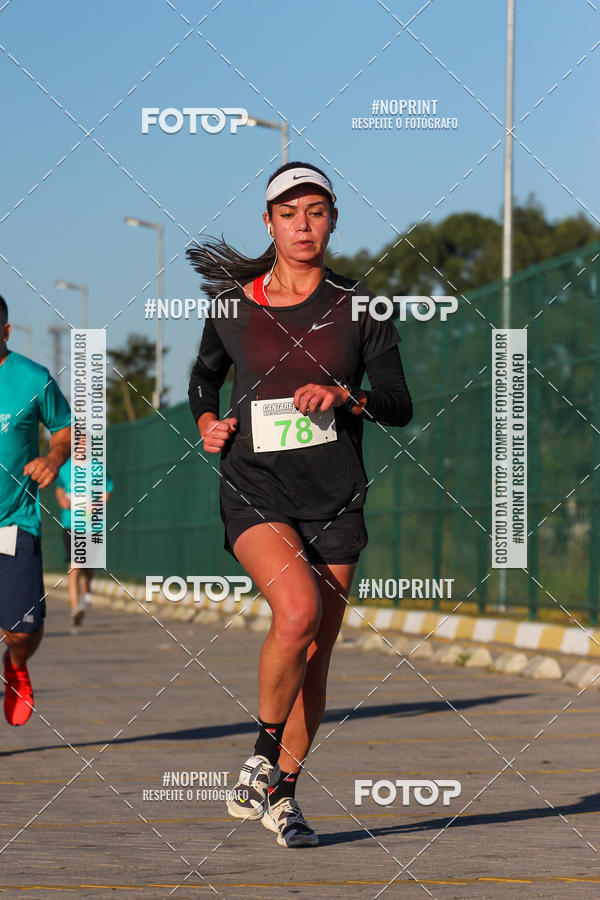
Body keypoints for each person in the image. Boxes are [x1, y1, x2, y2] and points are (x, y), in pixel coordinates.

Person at [187, 162, 413, 847]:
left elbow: (400, 406)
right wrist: (207, 425)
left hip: (336, 497)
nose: (303, 224)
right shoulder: (232, 307)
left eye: (316, 211)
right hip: (255, 487)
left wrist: (349, 397)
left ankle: (283, 797)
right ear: (269, 223)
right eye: (290, 213)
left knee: (316, 655)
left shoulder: (363, 308)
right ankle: (261, 753)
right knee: (298, 613)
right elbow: (203, 384)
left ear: (334, 219)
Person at [0, 295, 71, 725]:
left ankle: (17, 664)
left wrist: (52, 458)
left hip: (14, 521)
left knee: (21, 630)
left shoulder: (31, 378)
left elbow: (63, 427)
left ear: (5, 332)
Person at [55, 458, 113, 632]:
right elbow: (59, 491)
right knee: (75, 565)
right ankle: (75, 607)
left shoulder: (98, 467)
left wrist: (97, 504)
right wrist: (62, 500)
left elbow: (107, 490)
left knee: (88, 567)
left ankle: (86, 588)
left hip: (92, 525)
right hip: (71, 524)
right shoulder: (64, 468)